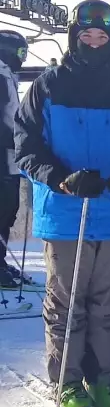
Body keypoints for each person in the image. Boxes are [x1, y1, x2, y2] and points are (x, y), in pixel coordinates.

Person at [14, 0, 110, 407]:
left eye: (102, 37)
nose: (94, 43)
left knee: (108, 304)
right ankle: (68, 380)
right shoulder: (49, 85)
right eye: (86, 36)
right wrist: (59, 177)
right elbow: (26, 145)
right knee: (66, 303)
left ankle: (106, 379)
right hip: (64, 211)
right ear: (74, 38)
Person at [0, 30, 27, 288]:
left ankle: (1, 262)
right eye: (21, 53)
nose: (24, 59)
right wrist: (17, 142)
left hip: (10, 158)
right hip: (3, 156)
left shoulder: (7, 75)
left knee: (8, 213)